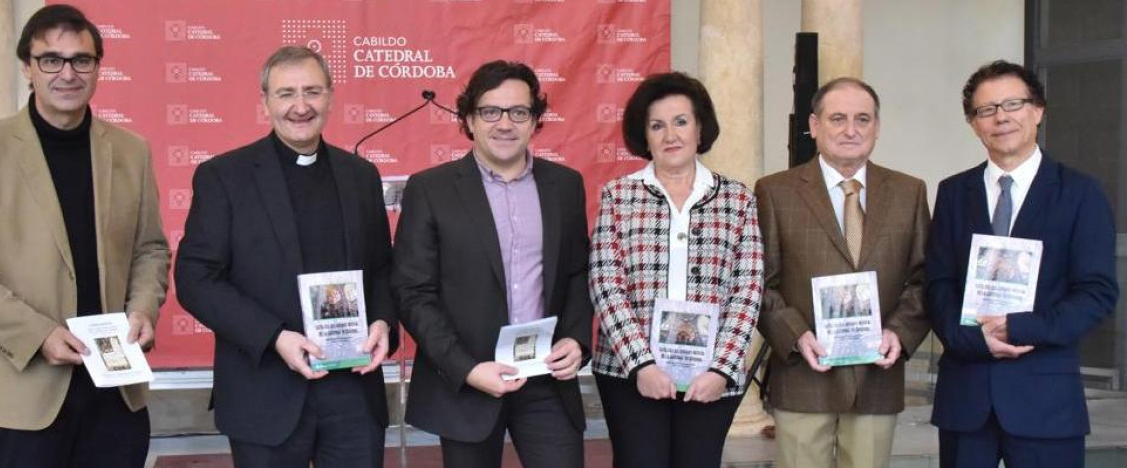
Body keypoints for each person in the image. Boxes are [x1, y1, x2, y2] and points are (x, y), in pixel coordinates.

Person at [0, 4, 170, 467]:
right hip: (16, 396)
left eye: (82, 60)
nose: (67, 73)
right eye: (51, 60)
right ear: (28, 68)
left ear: (98, 67)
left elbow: (150, 249)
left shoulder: (130, 151)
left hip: (113, 392)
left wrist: (142, 308)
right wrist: (38, 335)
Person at [175, 46, 397, 467]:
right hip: (264, 392)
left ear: (330, 97)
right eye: (286, 94)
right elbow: (195, 279)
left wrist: (383, 320)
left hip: (352, 394)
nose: (300, 106)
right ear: (264, 102)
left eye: (312, 91)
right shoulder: (224, 177)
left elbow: (382, 268)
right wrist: (274, 336)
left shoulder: (360, 175)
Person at [393, 60, 592, 467]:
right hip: (470, 379)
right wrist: (465, 369)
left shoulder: (565, 185)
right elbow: (413, 292)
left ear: (535, 120)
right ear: (469, 118)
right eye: (490, 112)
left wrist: (576, 339)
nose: (505, 124)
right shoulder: (431, 189)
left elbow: (576, 274)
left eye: (519, 112)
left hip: (546, 378)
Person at [926, 60, 1118, 467]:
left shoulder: (1080, 193)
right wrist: (973, 340)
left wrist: (1019, 326)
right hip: (966, 396)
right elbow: (938, 283)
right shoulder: (953, 193)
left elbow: (1096, 293)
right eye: (986, 110)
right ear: (973, 124)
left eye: (1013, 104)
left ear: (1038, 111)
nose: (1001, 117)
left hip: (1045, 400)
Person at [755, 77, 931, 468]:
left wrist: (899, 333)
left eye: (863, 119)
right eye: (838, 118)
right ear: (815, 126)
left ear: (877, 127)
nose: (851, 130)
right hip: (804, 376)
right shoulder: (775, 191)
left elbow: (923, 279)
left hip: (877, 377)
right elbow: (760, 283)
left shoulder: (909, 191)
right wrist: (796, 334)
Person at [589, 71, 762, 467]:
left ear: (700, 129)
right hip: (628, 373)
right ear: (644, 136)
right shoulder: (619, 196)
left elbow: (748, 290)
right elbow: (606, 285)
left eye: (681, 121)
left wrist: (720, 367)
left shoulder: (738, 199)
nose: (671, 135)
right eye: (657, 125)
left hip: (712, 376)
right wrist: (641, 365)